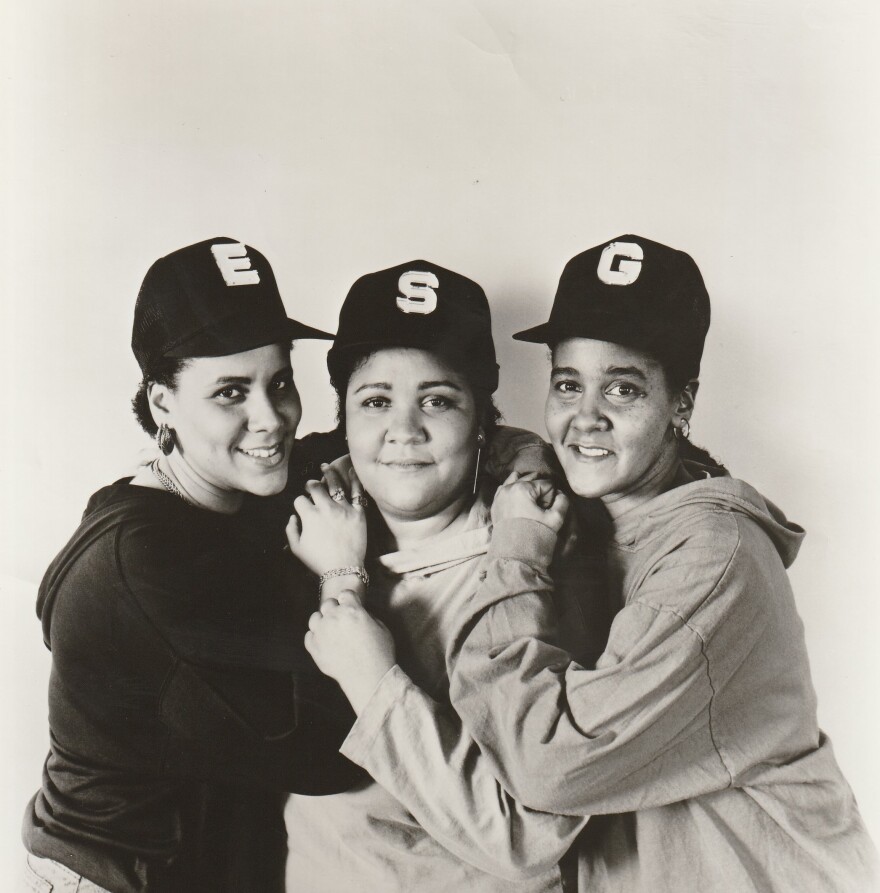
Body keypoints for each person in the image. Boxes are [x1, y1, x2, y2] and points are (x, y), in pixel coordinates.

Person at [439, 235, 879, 891]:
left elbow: (548, 764)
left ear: (682, 403)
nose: (585, 418)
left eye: (621, 389)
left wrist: (517, 552)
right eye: (568, 384)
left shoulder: (713, 556)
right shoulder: (605, 519)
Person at [21, 238, 362, 893]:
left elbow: (353, 442)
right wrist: (341, 578)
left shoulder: (224, 491)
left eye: (280, 381)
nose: (272, 419)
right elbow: (330, 752)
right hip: (116, 877)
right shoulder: (145, 563)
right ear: (161, 403)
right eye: (231, 391)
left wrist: (508, 448)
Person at [283, 261, 609, 893]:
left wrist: (372, 677)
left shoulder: (538, 564)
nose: (404, 430)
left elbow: (530, 841)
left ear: (482, 418)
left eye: (438, 400)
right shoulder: (301, 519)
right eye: (375, 401)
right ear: (343, 420)